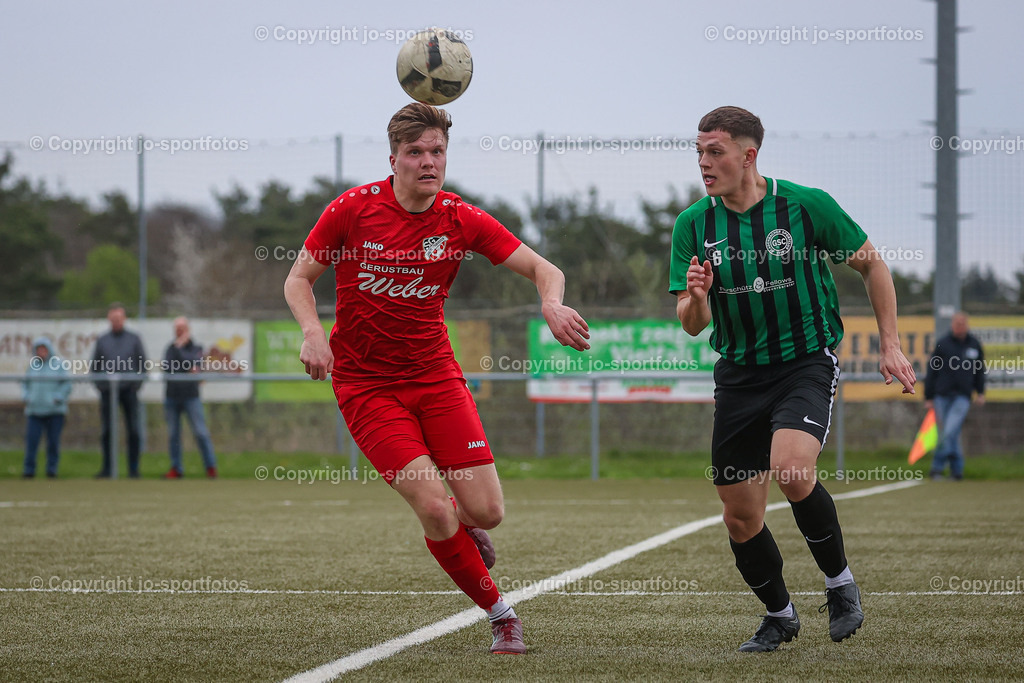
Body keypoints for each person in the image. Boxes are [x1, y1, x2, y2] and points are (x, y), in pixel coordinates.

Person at [284, 102, 590, 655]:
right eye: (416, 152)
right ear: (394, 160)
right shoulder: (352, 210)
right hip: (367, 388)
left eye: (437, 151)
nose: (429, 162)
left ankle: (465, 525)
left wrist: (550, 302)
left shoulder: (460, 218)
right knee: (431, 505)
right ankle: (501, 615)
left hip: (437, 379)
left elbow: (545, 268)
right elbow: (298, 278)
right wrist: (313, 332)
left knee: (488, 512)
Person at [670, 106, 916, 652]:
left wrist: (890, 344)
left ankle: (840, 584)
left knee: (791, 467)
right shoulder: (694, 225)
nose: (704, 163)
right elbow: (691, 323)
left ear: (748, 155)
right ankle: (779, 615)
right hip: (738, 375)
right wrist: (698, 296)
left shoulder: (805, 206)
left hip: (804, 361)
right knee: (740, 516)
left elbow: (873, 265)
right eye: (699, 152)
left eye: (715, 152)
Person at [924, 311, 985, 481]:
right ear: (952, 325)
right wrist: (928, 396)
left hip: (963, 396)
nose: (959, 327)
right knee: (950, 432)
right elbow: (932, 370)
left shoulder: (974, 344)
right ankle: (956, 471)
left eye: (962, 324)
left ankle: (937, 467)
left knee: (949, 430)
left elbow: (979, 371)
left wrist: (980, 392)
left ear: (967, 325)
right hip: (941, 395)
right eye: (957, 324)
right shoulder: (943, 344)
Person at [91, 303, 147, 478]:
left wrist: (135, 385)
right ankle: (108, 469)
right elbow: (95, 368)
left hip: (129, 392)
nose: (116, 321)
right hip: (108, 392)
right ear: (109, 319)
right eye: (113, 318)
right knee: (107, 431)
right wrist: (102, 387)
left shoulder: (134, 339)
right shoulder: (102, 340)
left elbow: (142, 365)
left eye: (119, 318)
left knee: (134, 431)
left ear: (124, 319)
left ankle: (133, 470)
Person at [162, 317, 218, 479]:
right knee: (173, 435)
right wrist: (180, 350)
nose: (179, 331)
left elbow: (193, 365)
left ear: (188, 329)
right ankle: (176, 468)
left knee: (201, 432)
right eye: (177, 328)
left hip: (191, 397)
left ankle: (211, 467)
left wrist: (181, 353)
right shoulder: (170, 348)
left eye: (182, 328)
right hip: (172, 397)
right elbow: (169, 367)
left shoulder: (197, 348)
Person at [22, 336, 72, 478]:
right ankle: (29, 471)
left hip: (54, 411)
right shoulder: (32, 366)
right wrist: (27, 397)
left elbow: (67, 384)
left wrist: (58, 398)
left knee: (53, 443)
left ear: (49, 350)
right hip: (35, 411)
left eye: (44, 349)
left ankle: (51, 470)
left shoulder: (58, 365)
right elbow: (25, 384)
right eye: (39, 349)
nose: (41, 352)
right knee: (31, 443)